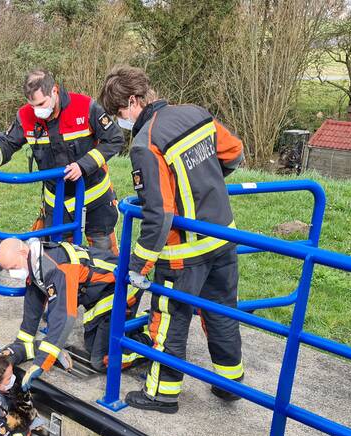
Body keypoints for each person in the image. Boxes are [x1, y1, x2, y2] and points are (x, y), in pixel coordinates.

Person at [97, 65, 245, 414]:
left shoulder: (146, 143)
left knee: (169, 314)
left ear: (132, 102)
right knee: (222, 309)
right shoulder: (195, 114)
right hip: (223, 236)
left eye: (120, 113)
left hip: (184, 249)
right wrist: (204, 178)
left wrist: (138, 265)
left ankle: (161, 394)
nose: (122, 120)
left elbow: (158, 213)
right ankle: (230, 382)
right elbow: (234, 153)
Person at [0, 69, 124, 252]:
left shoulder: (85, 106)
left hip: (96, 198)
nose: (37, 111)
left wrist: (84, 165)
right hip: (57, 202)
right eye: (32, 105)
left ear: (54, 91)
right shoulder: (25, 116)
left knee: (105, 257)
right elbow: (7, 141)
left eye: (41, 103)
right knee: (56, 256)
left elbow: (114, 138)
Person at [0, 237, 146, 389]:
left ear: (22, 252)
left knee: (102, 360)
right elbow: (32, 310)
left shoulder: (57, 267)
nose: (12, 274)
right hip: (101, 294)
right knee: (92, 344)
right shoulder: (36, 263)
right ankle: (134, 327)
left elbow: (64, 317)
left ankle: (150, 342)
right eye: (8, 270)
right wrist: (15, 349)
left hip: (122, 290)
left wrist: (40, 363)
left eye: (13, 267)